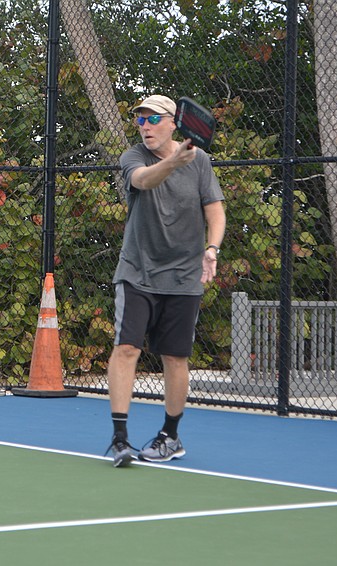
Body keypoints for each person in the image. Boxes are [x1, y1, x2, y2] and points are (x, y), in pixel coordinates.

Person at [106, 94, 226, 467]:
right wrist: (174, 161)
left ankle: (170, 436)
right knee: (127, 349)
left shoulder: (201, 162)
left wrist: (212, 248)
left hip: (184, 276)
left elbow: (215, 211)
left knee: (176, 357)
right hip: (137, 271)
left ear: (173, 122)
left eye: (152, 119)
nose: (144, 127)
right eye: (140, 120)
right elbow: (143, 181)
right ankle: (120, 438)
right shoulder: (134, 158)